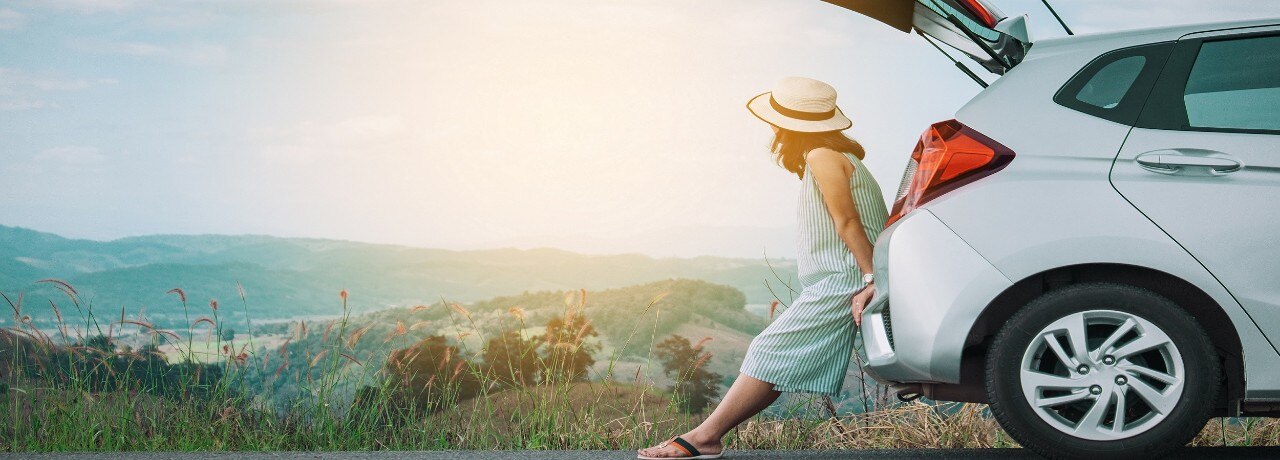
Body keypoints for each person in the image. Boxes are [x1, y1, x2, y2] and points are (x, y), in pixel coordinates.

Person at [637, 76, 889, 459]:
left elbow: (848, 222)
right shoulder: (839, 156)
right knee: (772, 352)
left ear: (787, 126)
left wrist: (871, 278)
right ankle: (705, 436)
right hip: (845, 275)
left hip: (845, 278)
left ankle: (705, 438)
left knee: (769, 349)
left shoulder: (821, 155)